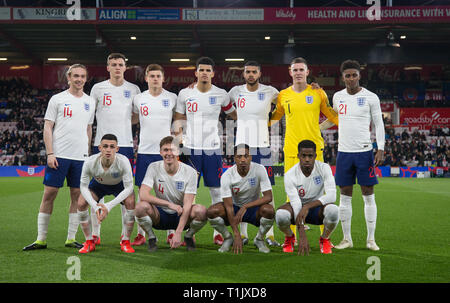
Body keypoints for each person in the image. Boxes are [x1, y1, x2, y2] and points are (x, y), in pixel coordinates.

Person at [23, 64, 96, 251]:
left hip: (80, 157)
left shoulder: (90, 102)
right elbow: (48, 126)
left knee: (77, 197)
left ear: (86, 79)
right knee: (49, 194)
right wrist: (50, 153)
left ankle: (71, 238)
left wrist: (87, 153)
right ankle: (41, 239)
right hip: (59, 155)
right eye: (76, 76)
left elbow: (88, 128)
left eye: (82, 76)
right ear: (68, 77)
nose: (79, 79)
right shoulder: (57, 99)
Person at [270, 57, 339, 242]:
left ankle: (324, 237)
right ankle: (291, 236)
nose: (298, 72)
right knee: (290, 191)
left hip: (315, 150)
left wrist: (323, 127)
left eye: (302, 69)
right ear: (290, 72)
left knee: (322, 191)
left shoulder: (318, 93)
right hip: (292, 149)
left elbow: (332, 116)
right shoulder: (283, 95)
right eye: (295, 69)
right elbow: (274, 117)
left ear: (307, 72)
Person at [321, 59, 384, 251]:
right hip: (344, 153)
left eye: (354, 75)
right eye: (347, 75)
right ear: (342, 77)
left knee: (368, 196)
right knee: (345, 197)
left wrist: (380, 148)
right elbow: (334, 119)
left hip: (364, 152)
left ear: (359, 76)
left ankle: (371, 239)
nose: (350, 78)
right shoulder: (338, 97)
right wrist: (315, 129)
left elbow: (379, 123)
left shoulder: (371, 97)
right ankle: (347, 239)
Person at [173, 56, 237, 245]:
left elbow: (233, 114)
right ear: (196, 73)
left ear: (213, 73)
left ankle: (217, 233)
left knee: (216, 192)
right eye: (201, 70)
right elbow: (178, 120)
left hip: (212, 150)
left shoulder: (221, 94)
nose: (204, 73)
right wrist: (179, 146)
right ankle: (188, 232)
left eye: (208, 70)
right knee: (187, 194)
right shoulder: (185, 93)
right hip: (191, 149)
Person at [89, 53, 142, 246]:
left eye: (120, 64)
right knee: (97, 189)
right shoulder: (98, 88)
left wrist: (124, 124)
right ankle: (95, 234)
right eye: (114, 64)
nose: (117, 67)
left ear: (125, 67)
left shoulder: (134, 89)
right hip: (100, 145)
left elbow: (137, 117)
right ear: (108, 67)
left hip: (126, 145)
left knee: (126, 192)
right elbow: (90, 115)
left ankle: (124, 236)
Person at [227, 61, 280, 247]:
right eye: (248, 72)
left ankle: (269, 235)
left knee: (267, 191)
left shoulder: (270, 91)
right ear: (243, 74)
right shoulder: (235, 91)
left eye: (254, 72)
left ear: (259, 73)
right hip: (243, 147)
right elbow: (223, 103)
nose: (250, 74)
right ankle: (242, 234)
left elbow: (286, 101)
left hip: (264, 148)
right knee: (240, 191)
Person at [134, 136, 207, 252]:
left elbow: (188, 205)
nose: (169, 153)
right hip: (160, 216)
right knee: (139, 207)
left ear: (178, 151)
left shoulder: (191, 172)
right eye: (165, 150)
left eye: (172, 150)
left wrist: (178, 233)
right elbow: (143, 195)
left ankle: (188, 236)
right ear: (160, 152)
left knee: (201, 211)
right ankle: (152, 238)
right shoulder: (153, 167)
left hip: (181, 213)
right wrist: (169, 205)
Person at [132, 64, 178, 244]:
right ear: (146, 78)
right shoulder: (138, 98)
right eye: (152, 76)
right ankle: (141, 234)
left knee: (170, 191)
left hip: (166, 152)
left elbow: (179, 120)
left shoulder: (172, 98)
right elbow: (134, 118)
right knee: (141, 192)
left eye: (158, 76)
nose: (155, 79)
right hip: (145, 151)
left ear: (163, 78)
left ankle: (171, 232)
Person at [207, 144, 274, 254]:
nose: (243, 159)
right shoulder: (227, 175)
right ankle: (228, 238)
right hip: (234, 208)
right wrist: (236, 234)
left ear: (251, 157)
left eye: (246, 156)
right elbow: (228, 206)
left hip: (253, 209)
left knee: (269, 211)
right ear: (234, 158)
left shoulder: (259, 169)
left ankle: (259, 239)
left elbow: (268, 197)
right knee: (212, 212)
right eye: (239, 156)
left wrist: (246, 206)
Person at [275, 140, 339, 255]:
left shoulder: (324, 168)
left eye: (310, 156)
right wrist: (302, 234)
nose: (307, 159)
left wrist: (308, 206)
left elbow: (332, 196)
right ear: (298, 156)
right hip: (297, 208)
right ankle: (290, 237)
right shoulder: (290, 174)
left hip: (317, 209)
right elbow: (295, 203)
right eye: (304, 156)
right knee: (281, 215)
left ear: (315, 156)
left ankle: (325, 239)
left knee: (333, 210)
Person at [77, 134, 135, 254]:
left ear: (117, 149)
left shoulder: (123, 161)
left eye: (112, 147)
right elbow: (83, 186)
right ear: (100, 148)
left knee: (130, 202)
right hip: (98, 184)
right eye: (105, 146)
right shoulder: (90, 162)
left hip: (119, 185)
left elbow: (129, 187)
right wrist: (95, 205)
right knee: (81, 203)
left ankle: (125, 241)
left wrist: (109, 206)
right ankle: (89, 241)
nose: (108, 149)